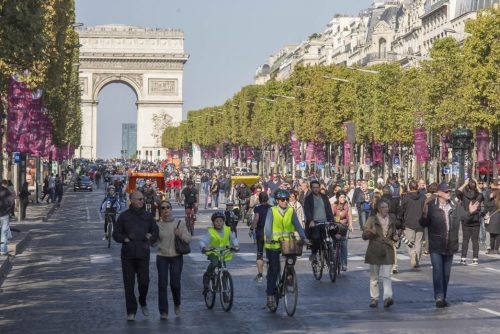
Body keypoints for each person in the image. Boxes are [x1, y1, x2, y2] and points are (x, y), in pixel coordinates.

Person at [420, 182, 479, 308]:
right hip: (436, 244)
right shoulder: (431, 206)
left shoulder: (455, 205)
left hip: (450, 244)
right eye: (446, 192)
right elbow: (424, 223)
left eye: (449, 191)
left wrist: (470, 212)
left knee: (446, 274)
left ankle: (443, 296)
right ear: (439, 193)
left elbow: (465, 218)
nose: (448, 194)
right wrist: (424, 214)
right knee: (437, 271)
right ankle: (439, 297)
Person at [113, 191, 159, 321]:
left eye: (142, 199)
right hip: (128, 255)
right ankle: (131, 311)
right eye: (139, 199)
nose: (142, 201)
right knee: (129, 284)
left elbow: (155, 231)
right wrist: (124, 239)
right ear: (132, 200)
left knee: (144, 282)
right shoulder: (123, 216)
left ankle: (142, 300)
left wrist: (150, 240)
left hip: (143, 253)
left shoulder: (148, 216)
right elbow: (115, 234)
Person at [264, 189, 307, 310]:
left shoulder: (290, 211)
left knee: (290, 262)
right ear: (277, 201)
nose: (285, 202)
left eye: (287, 199)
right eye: (282, 200)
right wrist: (268, 238)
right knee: (274, 269)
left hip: (288, 243)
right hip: (273, 244)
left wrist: (304, 238)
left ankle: (288, 275)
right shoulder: (271, 210)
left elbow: (298, 225)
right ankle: (270, 296)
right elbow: (268, 226)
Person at [155, 200, 191, 319]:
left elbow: (188, 239)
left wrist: (180, 234)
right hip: (162, 256)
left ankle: (177, 303)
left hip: (176, 256)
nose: (166, 210)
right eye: (163, 208)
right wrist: (149, 238)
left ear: (171, 209)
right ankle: (163, 311)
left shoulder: (179, 223)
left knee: (175, 284)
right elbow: (154, 242)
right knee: (162, 284)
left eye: (168, 207)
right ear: (160, 211)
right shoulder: (157, 225)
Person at [362, 198, 399, 308]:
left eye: (387, 207)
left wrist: (395, 237)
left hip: (387, 248)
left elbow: (394, 232)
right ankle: (374, 298)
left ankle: (387, 298)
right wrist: (369, 233)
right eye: (383, 207)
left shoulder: (391, 218)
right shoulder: (372, 219)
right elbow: (364, 236)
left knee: (387, 275)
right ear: (378, 209)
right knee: (374, 276)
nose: (385, 209)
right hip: (374, 249)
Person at [200, 211, 239, 294]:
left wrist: (236, 246)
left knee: (224, 271)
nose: (219, 223)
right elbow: (203, 241)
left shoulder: (228, 230)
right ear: (213, 222)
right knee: (214, 263)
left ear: (223, 222)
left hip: (223, 253)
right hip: (213, 252)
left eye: (221, 221)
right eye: (216, 221)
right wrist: (204, 247)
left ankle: (225, 293)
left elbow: (233, 239)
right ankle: (207, 276)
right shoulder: (211, 232)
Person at [304, 180, 335, 262]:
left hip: (325, 222)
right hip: (315, 223)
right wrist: (310, 220)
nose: (316, 189)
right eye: (314, 188)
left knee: (331, 235)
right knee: (316, 237)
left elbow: (328, 209)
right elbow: (307, 211)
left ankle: (330, 253)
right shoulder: (308, 199)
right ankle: (314, 253)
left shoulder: (324, 197)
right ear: (311, 188)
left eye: (317, 187)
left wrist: (331, 220)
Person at [399, 180, 426, 268]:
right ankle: (417, 260)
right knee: (418, 242)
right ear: (417, 187)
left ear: (409, 187)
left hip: (409, 223)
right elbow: (425, 210)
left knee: (410, 242)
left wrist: (401, 223)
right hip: (420, 222)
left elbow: (402, 211)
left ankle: (412, 253)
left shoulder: (405, 198)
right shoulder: (422, 197)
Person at [456, 179, 483, 265]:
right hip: (475, 220)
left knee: (465, 240)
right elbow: (482, 194)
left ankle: (463, 258)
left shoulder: (464, 196)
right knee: (475, 240)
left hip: (466, 219)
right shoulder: (478, 196)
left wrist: (464, 184)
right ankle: (475, 259)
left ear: (468, 186)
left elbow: (457, 192)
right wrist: (476, 183)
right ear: (475, 186)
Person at [249, 192, 271, 282]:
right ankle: (270, 273)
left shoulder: (257, 208)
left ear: (259, 199)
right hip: (270, 232)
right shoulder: (272, 208)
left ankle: (260, 274)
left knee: (260, 253)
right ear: (267, 199)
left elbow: (256, 219)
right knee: (270, 254)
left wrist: (251, 229)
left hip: (261, 232)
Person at [331, 190, 354, 271]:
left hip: (344, 227)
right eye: (341, 197)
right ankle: (333, 262)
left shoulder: (348, 206)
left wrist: (351, 225)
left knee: (344, 245)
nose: (343, 198)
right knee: (333, 244)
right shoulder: (334, 205)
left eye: (344, 197)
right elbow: (331, 216)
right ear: (337, 197)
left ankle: (344, 264)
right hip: (335, 226)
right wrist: (339, 220)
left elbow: (349, 216)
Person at [0, 180, 14, 256]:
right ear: (6, 185)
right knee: (3, 233)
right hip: (4, 214)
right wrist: (8, 209)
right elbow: (12, 202)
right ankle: (2, 250)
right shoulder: (7, 192)